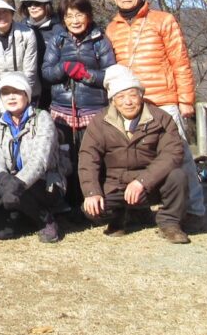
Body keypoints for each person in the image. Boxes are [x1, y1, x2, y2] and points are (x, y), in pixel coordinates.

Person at [104, 0, 205, 228]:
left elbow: (180, 60)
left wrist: (186, 99)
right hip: (129, 103)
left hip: (163, 99)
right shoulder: (112, 28)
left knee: (180, 154)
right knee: (136, 157)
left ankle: (194, 209)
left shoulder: (163, 20)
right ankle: (140, 207)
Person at [78, 65, 190, 243]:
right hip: (115, 185)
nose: (128, 102)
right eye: (121, 97)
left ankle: (170, 223)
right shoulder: (99, 122)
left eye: (132, 95)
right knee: (91, 209)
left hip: (151, 184)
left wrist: (142, 181)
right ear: (113, 101)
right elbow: (87, 158)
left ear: (141, 95)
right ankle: (119, 216)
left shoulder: (161, 119)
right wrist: (92, 192)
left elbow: (172, 153)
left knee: (178, 176)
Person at [41, 0, 116, 217]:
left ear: (88, 16)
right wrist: (63, 68)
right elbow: (46, 72)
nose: (74, 20)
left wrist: (86, 74)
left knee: (91, 156)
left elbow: (110, 74)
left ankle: (92, 202)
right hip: (62, 108)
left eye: (79, 15)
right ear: (63, 19)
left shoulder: (100, 40)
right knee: (65, 157)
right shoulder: (57, 40)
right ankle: (68, 202)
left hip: (93, 108)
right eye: (69, 16)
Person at [0, 72, 63, 243]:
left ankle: (45, 218)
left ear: (26, 95)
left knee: (16, 190)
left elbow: (40, 161)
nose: (11, 97)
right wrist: (4, 179)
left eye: (17, 92)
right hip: (11, 184)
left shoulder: (43, 118)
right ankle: (23, 215)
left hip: (43, 183)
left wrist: (15, 184)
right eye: (6, 93)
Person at [0, 0, 39, 113]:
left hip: (27, 95)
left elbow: (30, 71)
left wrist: (23, 98)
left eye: (5, 11)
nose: (1, 16)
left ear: (12, 13)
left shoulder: (27, 34)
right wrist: (1, 102)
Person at [19, 0, 58, 109]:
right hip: (27, 86)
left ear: (47, 5)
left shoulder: (59, 29)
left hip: (51, 89)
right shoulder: (21, 27)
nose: (32, 7)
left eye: (37, 3)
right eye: (28, 3)